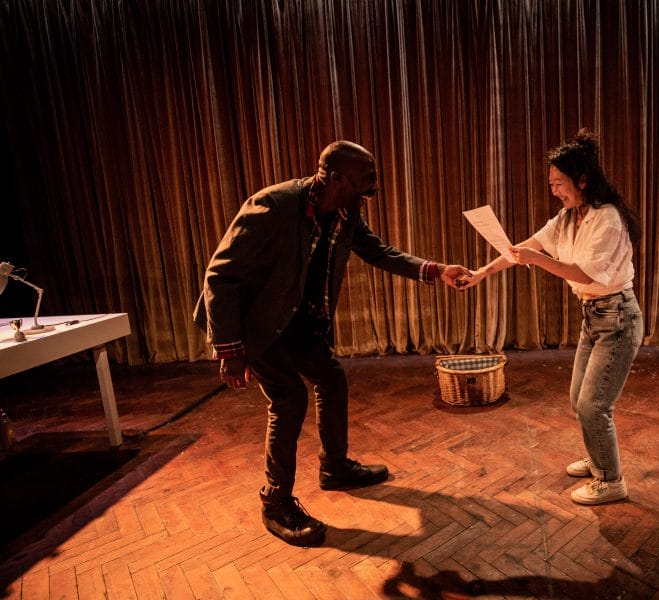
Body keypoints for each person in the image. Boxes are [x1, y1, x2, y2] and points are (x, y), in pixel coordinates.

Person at [194, 141, 471, 546]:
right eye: (367, 178)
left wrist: (436, 270)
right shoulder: (273, 205)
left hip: (298, 320)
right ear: (336, 178)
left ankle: (334, 467)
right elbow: (220, 277)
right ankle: (276, 502)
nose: (374, 186)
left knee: (331, 378)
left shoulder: (346, 210)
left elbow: (378, 252)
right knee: (289, 398)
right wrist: (230, 350)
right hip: (255, 323)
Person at [458, 129, 643, 505]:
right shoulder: (568, 217)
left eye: (559, 183)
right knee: (578, 399)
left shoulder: (607, 218)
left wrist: (538, 260)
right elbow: (523, 248)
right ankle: (598, 459)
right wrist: (480, 273)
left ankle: (611, 480)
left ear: (582, 180)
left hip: (618, 318)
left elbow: (584, 274)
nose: (555, 190)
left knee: (594, 405)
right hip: (594, 316)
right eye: (552, 184)